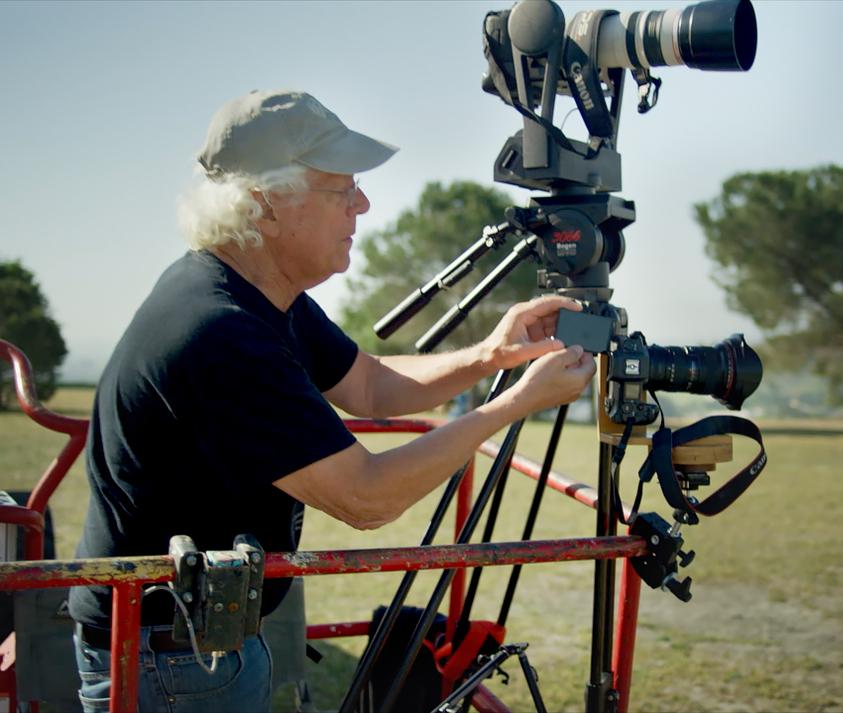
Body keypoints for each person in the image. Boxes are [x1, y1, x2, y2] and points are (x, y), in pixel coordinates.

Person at [68, 89, 596, 713]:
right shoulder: (219, 330)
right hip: (170, 659)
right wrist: (512, 405)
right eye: (341, 188)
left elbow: (370, 384)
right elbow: (364, 496)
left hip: (195, 640)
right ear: (265, 205)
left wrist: (493, 356)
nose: (363, 204)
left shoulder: (259, 293)